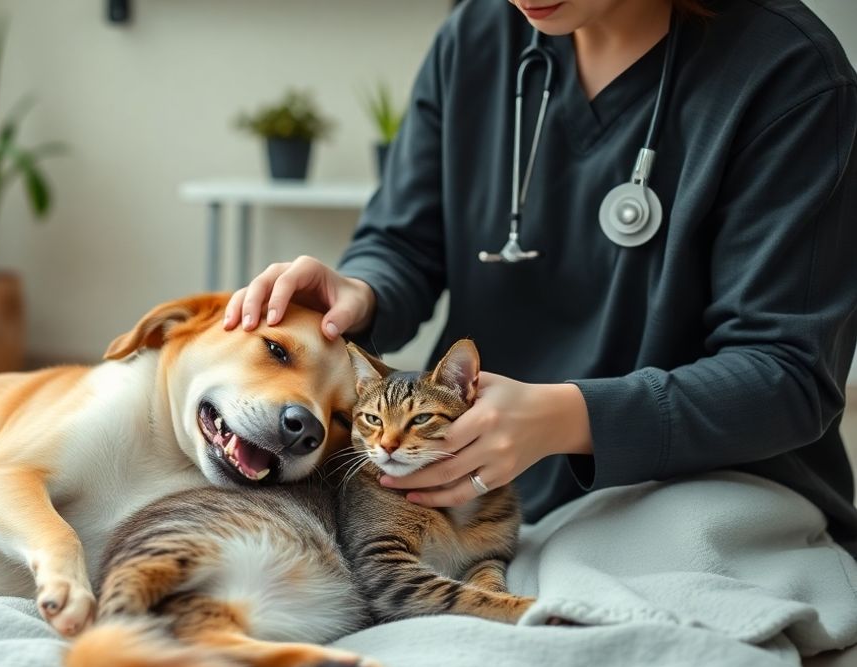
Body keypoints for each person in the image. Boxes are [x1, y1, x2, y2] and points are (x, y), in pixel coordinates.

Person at [225, 0, 857, 554]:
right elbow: (403, 241)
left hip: (706, 490)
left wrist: (565, 419)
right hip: (480, 489)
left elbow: (786, 374)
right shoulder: (476, 36)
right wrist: (360, 291)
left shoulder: (789, 73)